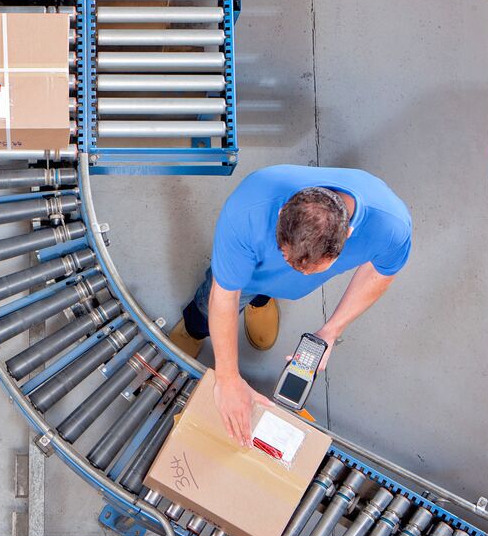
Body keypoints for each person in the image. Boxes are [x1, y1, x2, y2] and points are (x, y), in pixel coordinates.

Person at [169, 165, 412, 446]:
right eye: (288, 260)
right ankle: (193, 329)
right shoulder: (248, 209)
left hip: (271, 278)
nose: (302, 274)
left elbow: (382, 272)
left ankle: (261, 301)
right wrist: (226, 377)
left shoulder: (391, 226)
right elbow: (224, 294)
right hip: (244, 277)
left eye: (314, 269)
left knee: (271, 285)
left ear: (347, 234)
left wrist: (331, 331)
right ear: (282, 214)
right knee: (206, 307)